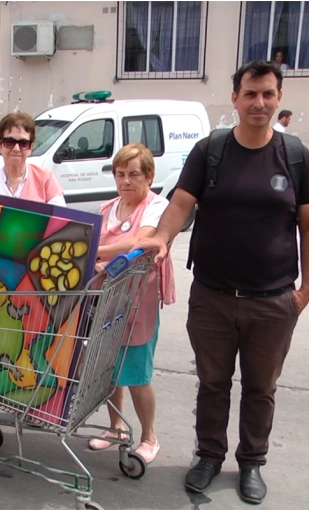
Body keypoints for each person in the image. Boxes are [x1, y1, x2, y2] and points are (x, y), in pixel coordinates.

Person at [135, 60, 309, 505]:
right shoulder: (210, 150)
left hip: (273, 300)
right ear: (235, 98)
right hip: (213, 295)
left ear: (278, 98)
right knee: (212, 383)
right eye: (250, 93)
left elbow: (308, 225)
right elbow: (180, 203)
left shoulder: (295, 156)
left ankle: (251, 462)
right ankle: (209, 456)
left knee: (261, 388)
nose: (259, 102)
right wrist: (160, 238)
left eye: (268, 94)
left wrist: (305, 291)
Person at [0, 111, 66, 416]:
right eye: (9, 141)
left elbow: (61, 222)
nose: (16, 149)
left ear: (32, 146)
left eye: (23, 143)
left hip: (32, 271)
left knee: (30, 334)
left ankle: (34, 403)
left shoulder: (45, 178)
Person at [86, 143, 176, 466]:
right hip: (107, 297)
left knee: (137, 373)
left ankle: (149, 436)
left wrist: (97, 252)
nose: (126, 181)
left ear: (149, 176)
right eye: (120, 174)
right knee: (109, 367)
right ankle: (116, 428)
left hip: (139, 299)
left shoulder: (156, 206)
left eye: (134, 174)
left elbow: (141, 242)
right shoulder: (107, 207)